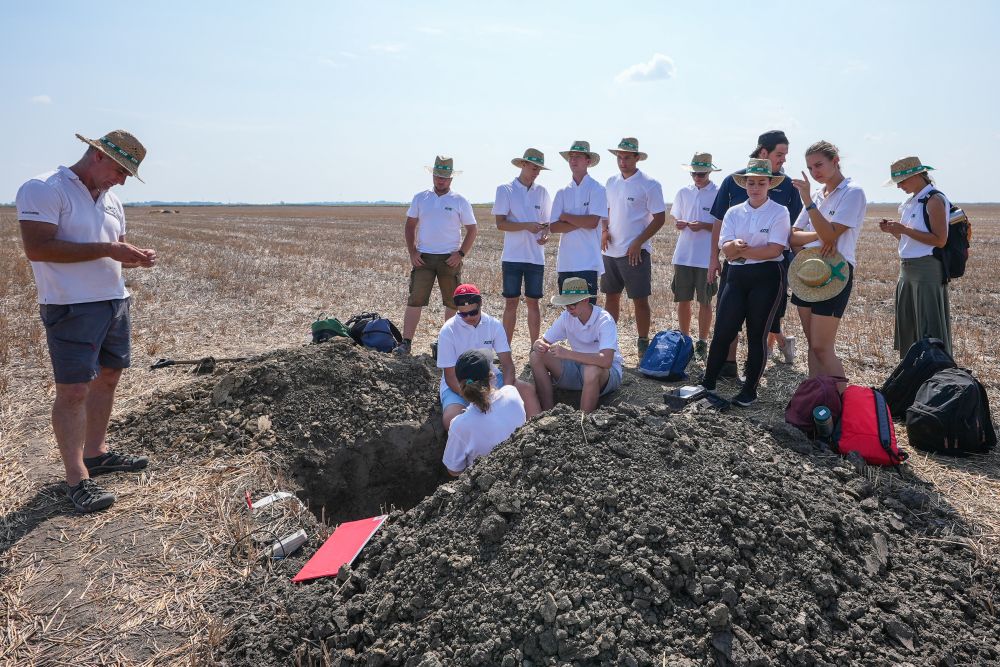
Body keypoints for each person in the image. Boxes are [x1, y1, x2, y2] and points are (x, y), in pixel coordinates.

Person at [15, 130, 154, 513]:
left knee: (108, 377)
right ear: (96, 155)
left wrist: (133, 258)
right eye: (120, 169)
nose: (122, 180)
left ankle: (96, 452)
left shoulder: (113, 201)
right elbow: (38, 247)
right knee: (74, 391)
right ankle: (77, 479)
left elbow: (114, 252)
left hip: (114, 301)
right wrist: (111, 249)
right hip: (72, 306)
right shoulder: (44, 188)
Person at [709, 130, 802, 374]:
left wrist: (799, 259)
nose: (783, 160)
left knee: (765, 319)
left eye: (785, 155)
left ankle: (770, 352)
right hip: (735, 264)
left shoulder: (788, 186)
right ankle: (728, 366)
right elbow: (719, 222)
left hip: (771, 266)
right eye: (779, 154)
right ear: (764, 152)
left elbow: (793, 229)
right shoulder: (733, 180)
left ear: (770, 185)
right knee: (728, 318)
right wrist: (714, 259)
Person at [699, 159, 791, 406]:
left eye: (761, 182)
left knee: (757, 334)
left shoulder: (779, 212)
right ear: (744, 184)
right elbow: (726, 248)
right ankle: (707, 381)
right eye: (751, 182)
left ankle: (750, 390)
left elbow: (774, 250)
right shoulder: (734, 211)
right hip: (736, 276)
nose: (755, 187)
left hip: (767, 277)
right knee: (723, 330)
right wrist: (734, 250)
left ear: (770, 184)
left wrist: (739, 250)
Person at [789, 141, 867, 385]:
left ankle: (842, 403)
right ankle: (816, 399)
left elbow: (832, 235)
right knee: (812, 344)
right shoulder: (816, 195)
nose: (814, 172)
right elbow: (793, 236)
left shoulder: (852, 192)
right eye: (810, 168)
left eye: (819, 165)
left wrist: (811, 208)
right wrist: (818, 235)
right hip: (808, 271)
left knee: (823, 347)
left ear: (836, 161)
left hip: (835, 273)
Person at [399, 156, 478, 355]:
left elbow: (472, 229)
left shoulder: (460, 201)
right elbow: (409, 226)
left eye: (444, 177)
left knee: (452, 302)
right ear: (432, 175)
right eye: (437, 176)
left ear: (451, 179)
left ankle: (448, 345)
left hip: (449, 260)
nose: (440, 180)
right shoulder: (420, 198)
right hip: (423, 258)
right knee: (415, 299)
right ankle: (406, 343)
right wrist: (412, 252)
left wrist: (460, 254)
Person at [437, 284, 540, 430]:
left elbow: (507, 365)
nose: (468, 317)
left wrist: (505, 393)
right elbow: (450, 376)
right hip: (460, 384)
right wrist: (474, 398)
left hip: (489, 378)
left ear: (481, 304)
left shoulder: (494, 325)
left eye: (473, 312)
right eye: (463, 314)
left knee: (527, 391)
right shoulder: (448, 331)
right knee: (451, 419)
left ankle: (534, 435)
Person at [878, 156, 952, 356]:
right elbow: (909, 241)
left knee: (930, 329)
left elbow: (939, 240)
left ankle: (935, 372)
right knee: (909, 327)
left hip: (927, 271)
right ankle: (914, 372)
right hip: (908, 271)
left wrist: (904, 229)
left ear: (918, 175)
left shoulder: (935, 200)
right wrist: (895, 230)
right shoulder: (911, 202)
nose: (899, 186)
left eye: (902, 181)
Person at [601, 137, 666, 358]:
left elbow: (659, 218)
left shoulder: (650, 184)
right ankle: (610, 341)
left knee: (639, 300)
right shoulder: (610, 182)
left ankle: (643, 343)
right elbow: (606, 211)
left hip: (635, 253)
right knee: (611, 297)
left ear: (637, 158)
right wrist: (604, 230)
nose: (622, 161)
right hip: (610, 251)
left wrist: (638, 241)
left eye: (627, 157)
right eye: (619, 157)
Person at [530, 277, 624, 413]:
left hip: (606, 375)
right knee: (536, 356)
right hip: (578, 369)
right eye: (566, 305)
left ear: (585, 300)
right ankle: (547, 413)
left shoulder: (604, 320)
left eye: (572, 304)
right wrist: (538, 344)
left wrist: (568, 354)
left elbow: (606, 361)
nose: (569, 309)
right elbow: (543, 341)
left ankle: (582, 421)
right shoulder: (566, 317)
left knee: (591, 370)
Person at [492, 148, 552, 344]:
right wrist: (526, 225)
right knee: (511, 303)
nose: (536, 172)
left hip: (535, 257)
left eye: (539, 169)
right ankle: (504, 348)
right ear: (523, 165)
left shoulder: (542, 192)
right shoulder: (505, 189)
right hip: (512, 257)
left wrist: (545, 236)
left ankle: (535, 347)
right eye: (534, 167)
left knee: (534, 303)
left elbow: (547, 224)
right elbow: (500, 224)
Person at [670, 152, 721, 360]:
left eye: (701, 174)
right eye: (694, 174)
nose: (697, 177)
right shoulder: (683, 192)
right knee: (682, 300)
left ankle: (702, 341)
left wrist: (705, 226)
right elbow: (676, 218)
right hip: (683, 255)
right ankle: (684, 340)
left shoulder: (718, 192)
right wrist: (680, 224)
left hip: (705, 257)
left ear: (709, 171)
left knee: (705, 301)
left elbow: (722, 224)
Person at [442, 349, 526, 476]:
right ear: (491, 376)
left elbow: (454, 470)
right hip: (522, 470)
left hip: (486, 488)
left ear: (461, 385)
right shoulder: (512, 393)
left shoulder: (459, 425)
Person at [549, 140, 607, 305]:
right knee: (569, 310)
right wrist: (582, 221)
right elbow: (553, 227)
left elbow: (593, 222)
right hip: (566, 262)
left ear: (588, 161)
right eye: (571, 157)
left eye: (578, 156)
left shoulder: (597, 189)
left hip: (588, 261)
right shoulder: (562, 192)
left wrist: (566, 216)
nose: (573, 160)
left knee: (587, 309)